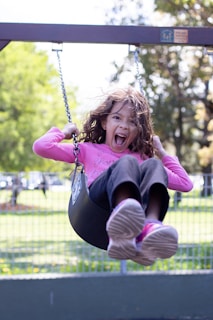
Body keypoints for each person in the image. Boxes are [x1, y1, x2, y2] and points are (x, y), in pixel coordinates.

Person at [33, 87, 193, 266]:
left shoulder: (143, 159)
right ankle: (125, 210)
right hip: (95, 209)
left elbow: (185, 184)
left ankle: (149, 227)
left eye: (132, 122)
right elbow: (41, 147)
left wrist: (162, 154)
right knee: (127, 163)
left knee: (153, 164)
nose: (124, 125)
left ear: (138, 129)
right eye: (117, 117)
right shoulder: (87, 150)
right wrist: (63, 133)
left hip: (131, 220)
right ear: (104, 123)